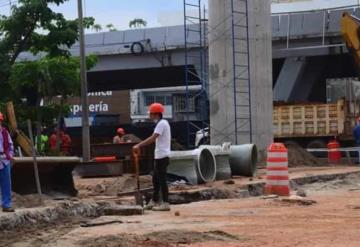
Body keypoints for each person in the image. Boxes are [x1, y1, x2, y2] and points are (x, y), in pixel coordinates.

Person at [133, 103, 171, 211]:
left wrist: (139, 145)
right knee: (156, 180)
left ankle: (166, 203)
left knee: (162, 180)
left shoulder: (161, 124)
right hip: (160, 156)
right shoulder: (162, 123)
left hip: (162, 156)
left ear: (156, 114)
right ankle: (154, 201)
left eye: (151, 114)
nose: (149, 116)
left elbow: (153, 138)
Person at [0, 112, 15, 212]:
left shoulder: (4, 132)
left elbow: (10, 145)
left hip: (4, 159)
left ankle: (6, 204)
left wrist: (10, 155)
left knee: (6, 183)